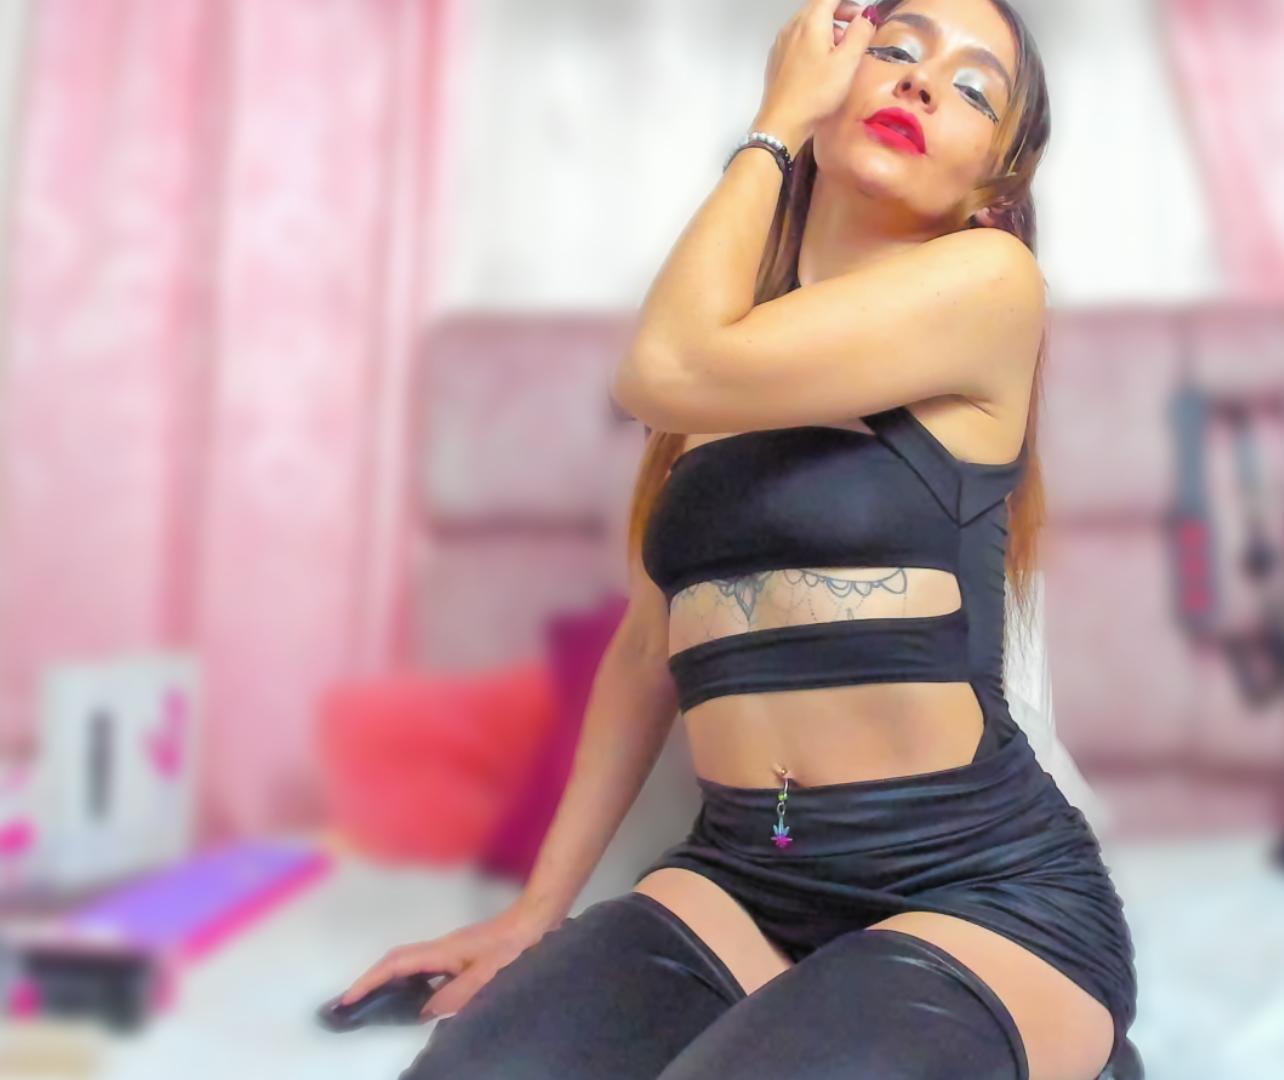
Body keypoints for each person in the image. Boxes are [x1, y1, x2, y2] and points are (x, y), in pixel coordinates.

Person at [336, 1, 1140, 1077]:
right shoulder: (728, 363)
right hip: (745, 881)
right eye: (895, 50)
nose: (920, 83)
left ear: (993, 189)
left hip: (976, 890)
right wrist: (535, 913)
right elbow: (646, 650)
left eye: (971, 88)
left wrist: (773, 124)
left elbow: (661, 367)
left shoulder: (992, 285)